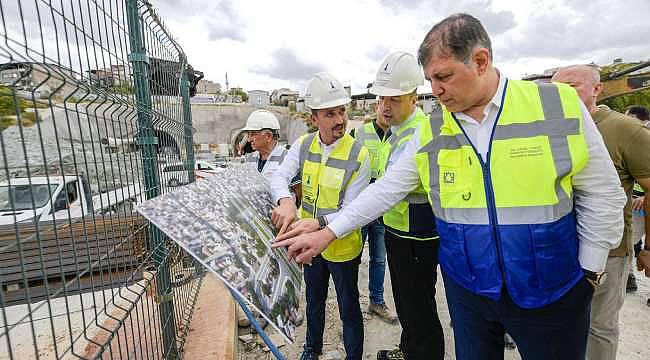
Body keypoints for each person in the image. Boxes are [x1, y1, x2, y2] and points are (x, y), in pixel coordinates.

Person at [274, 13, 627, 360]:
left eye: (443, 76)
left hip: (550, 291)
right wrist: (328, 230)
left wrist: (589, 271)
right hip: (469, 292)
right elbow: (387, 189)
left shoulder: (556, 105)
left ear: (480, 61)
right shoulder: (434, 126)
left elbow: (604, 194)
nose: (436, 90)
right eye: (430, 80)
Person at [270, 72, 370, 360]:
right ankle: (311, 350)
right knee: (313, 302)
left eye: (342, 111)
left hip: (341, 247)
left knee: (349, 308)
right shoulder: (303, 145)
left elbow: (353, 209)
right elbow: (279, 176)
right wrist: (286, 201)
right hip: (308, 244)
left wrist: (320, 223)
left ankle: (354, 356)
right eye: (330, 114)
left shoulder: (359, 155)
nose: (340, 119)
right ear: (314, 119)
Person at [552, 66, 650, 360]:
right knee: (559, 325)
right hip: (557, 249)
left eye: (572, 86)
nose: (562, 94)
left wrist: (648, 248)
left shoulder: (625, 130)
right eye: (556, 88)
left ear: (597, 89)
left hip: (610, 252)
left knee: (599, 328)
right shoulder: (547, 128)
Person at [368, 51, 443, 359]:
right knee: (409, 303)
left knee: (418, 306)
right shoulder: (396, 131)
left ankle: (424, 354)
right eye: (382, 98)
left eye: (394, 99)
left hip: (416, 233)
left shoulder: (418, 132)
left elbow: (393, 187)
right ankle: (409, 350)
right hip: (400, 230)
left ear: (414, 97)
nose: (385, 106)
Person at [350, 105, 398, 324]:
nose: (388, 112)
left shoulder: (399, 133)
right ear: (377, 106)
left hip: (382, 208)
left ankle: (376, 302)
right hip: (361, 205)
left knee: (379, 259)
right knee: (352, 258)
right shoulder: (361, 132)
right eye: (384, 106)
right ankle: (349, 310)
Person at [623, 105, 649, 292]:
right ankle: (628, 276)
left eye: (629, 119)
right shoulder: (632, 141)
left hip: (643, 202)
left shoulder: (644, 139)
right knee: (629, 243)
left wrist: (647, 195)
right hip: (636, 202)